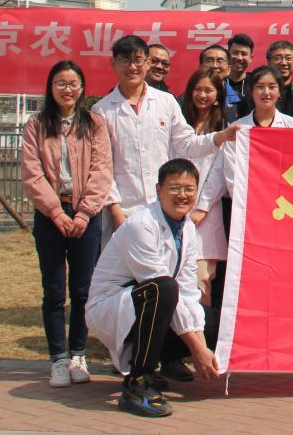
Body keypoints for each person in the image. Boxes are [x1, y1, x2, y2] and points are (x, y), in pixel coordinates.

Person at [86, 159, 220, 418]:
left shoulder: (188, 228)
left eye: (189, 189)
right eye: (174, 188)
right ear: (159, 190)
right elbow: (162, 286)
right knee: (164, 289)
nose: (182, 195)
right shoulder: (141, 225)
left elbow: (187, 292)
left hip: (150, 303)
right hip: (112, 307)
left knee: (215, 323)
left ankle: (167, 360)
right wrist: (196, 349)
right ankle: (138, 384)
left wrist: (202, 347)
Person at [92, 36, 239, 246]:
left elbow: (187, 145)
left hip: (162, 206)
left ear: (147, 63)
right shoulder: (102, 110)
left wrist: (220, 137)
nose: (132, 67)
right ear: (113, 63)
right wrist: (115, 211)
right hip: (124, 209)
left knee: (164, 264)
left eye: (138, 60)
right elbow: (102, 167)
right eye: (125, 61)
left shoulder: (165, 102)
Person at [21, 60, 113, 388]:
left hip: (86, 216)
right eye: (60, 83)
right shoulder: (36, 124)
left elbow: (102, 170)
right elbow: (31, 173)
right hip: (50, 217)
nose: (67, 89)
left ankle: (78, 355)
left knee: (83, 291)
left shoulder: (94, 123)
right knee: (54, 291)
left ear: (82, 88)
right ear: (51, 87)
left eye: (73, 83)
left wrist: (84, 213)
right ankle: (58, 359)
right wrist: (56, 213)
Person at [197, 66, 293, 314]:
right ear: (251, 92)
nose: (266, 92)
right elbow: (227, 173)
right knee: (248, 268)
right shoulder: (238, 128)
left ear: (280, 92)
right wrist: (202, 207)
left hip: (284, 212)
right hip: (247, 213)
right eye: (260, 87)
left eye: (272, 87)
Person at [177, 68, 227, 324]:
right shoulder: (179, 124)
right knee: (177, 276)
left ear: (218, 95)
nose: (203, 95)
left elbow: (219, 173)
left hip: (206, 213)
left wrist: (202, 208)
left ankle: (201, 332)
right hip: (176, 208)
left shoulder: (223, 128)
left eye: (209, 90)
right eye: (198, 89)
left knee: (202, 279)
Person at [197, 44, 241, 124]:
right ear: (200, 67)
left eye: (220, 61)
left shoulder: (241, 101)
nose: (215, 66)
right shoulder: (185, 100)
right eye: (209, 61)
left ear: (229, 69)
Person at [266, 40, 293, 114]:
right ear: (269, 62)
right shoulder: (261, 93)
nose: (283, 63)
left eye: (288, 58)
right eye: (278, 58)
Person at [226, 34, 254, 117]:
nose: (239, 58)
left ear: (251, 58)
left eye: (244, 54)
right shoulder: (218, 82)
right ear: (227, 55)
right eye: (235, 53)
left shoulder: (256, 82)